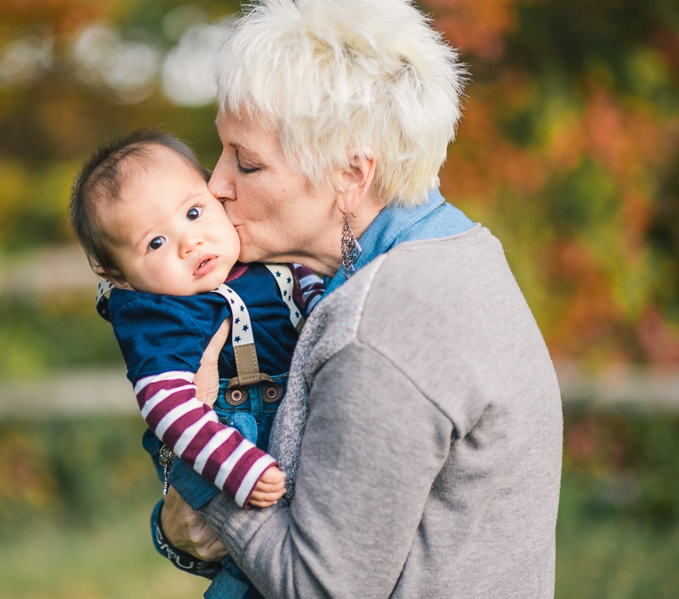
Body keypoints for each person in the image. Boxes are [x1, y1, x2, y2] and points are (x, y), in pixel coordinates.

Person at [157, 0, 564, 598]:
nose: (217, 185)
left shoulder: (381, 325)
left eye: (248, 163)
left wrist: (201, 479)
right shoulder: (461, 250)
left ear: (351, 174)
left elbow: (319, 587)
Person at [69, 129, 324, 598]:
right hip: (223, 444)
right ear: (118, 275)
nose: (189, 242)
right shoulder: (155, 314)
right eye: (156, 242)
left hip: (294, 440)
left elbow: (318, 297)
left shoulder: (268, 256)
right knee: (249, 577)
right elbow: (168, 407)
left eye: (193, 213)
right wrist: (235, 466)